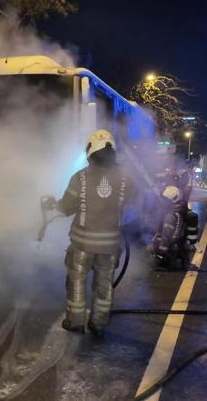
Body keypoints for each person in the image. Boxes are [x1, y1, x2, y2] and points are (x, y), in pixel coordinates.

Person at [43, 129, 138, 336]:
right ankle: (99, 323)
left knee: (76, 280)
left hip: (82, 244)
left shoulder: (81, 177)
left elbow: (67, 206)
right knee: (104, 284)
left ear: (89, 150)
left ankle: (76, 321)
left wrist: (53, 207)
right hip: (111, 245)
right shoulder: (125, 178)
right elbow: (135, 204)